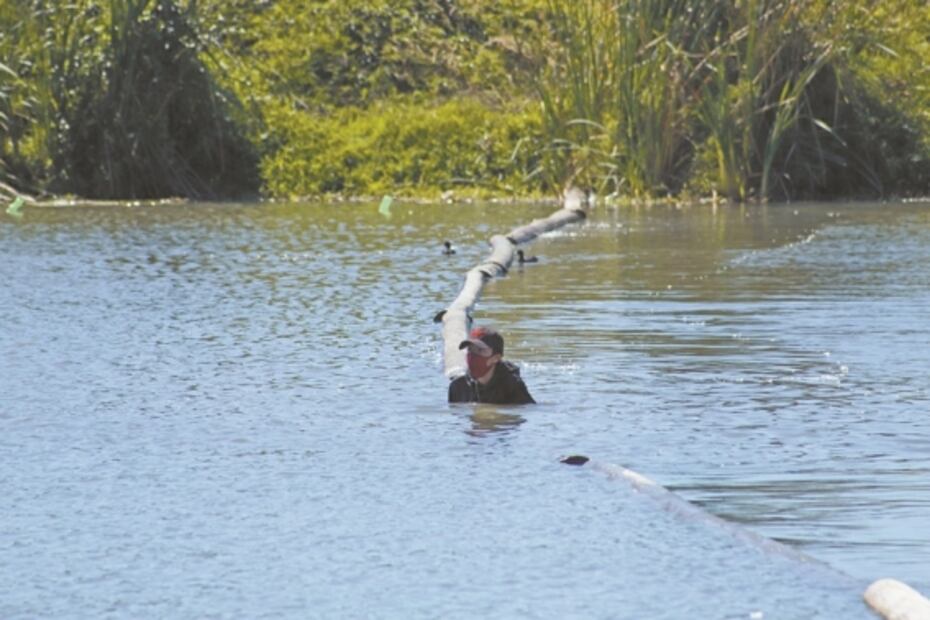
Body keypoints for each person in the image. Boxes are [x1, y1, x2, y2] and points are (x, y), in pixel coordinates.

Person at [448, 326, 535, 404]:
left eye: (480, 350)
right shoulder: (458, 387)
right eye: (470, 350)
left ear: (496, 358)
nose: (473, 356)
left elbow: (528, 411)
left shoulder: (512, 386)